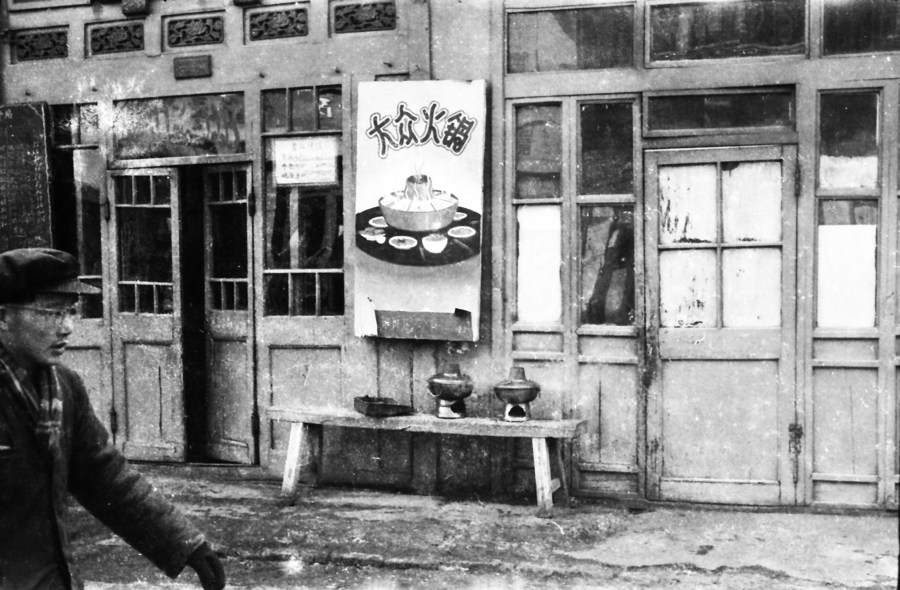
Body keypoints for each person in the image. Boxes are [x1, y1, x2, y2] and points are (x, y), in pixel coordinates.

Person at [0, 248, 226, 590]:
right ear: (3, 317)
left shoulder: (64, 388)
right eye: (52, 313)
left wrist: (185, 544)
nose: (67, 327)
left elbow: (105, 476)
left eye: (71, 312)